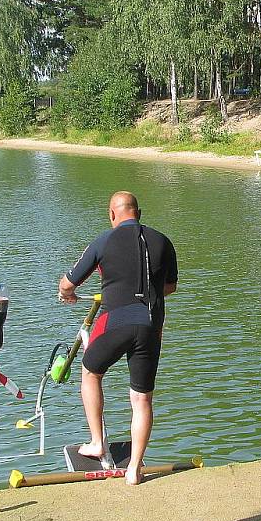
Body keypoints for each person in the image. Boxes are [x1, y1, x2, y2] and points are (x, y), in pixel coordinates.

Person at [58, 192, 178, 484]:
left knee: (90, 371)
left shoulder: (103, 241)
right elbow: (170, 287)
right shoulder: (164, 241)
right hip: (150, 324)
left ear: (112, 214)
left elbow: (67, 282)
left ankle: (97, 441)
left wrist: (67, 295)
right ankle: (134, 470)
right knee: (141, 398)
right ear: (140, 212)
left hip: (116, 322)